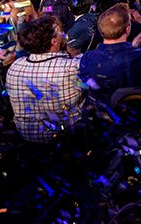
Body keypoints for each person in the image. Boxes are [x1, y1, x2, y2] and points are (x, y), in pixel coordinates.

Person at [6, 15, 84, 143]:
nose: (63, 35)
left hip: (26, 137)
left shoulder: (15, 66)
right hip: (64, 138)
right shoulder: (71, 68)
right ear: (54, 41)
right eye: (61, 33)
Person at [79, 3, 141, 104]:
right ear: (128, 29)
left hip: (96, 112)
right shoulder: (140, 56)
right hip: (127, 111)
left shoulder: (88, 57)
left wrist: (132, 48)